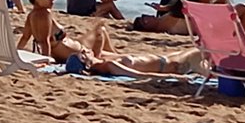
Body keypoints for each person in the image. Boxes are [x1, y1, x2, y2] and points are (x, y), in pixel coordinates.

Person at [17, 0, 113, 62]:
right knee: (100, 30)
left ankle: (111, 54)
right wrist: (46, 60)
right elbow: (44, 41)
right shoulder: (44, 14)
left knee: (103, 38)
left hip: (74, 49)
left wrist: (16, 54)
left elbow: (25, 37)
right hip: (79, 54)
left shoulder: (31, 15)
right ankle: (102, 57)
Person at [68, 45, 206, 78]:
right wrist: (171, 77)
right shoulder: (109, 65)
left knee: (203, 52)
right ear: (86, 61)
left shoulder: (103, 59)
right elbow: (138, 75)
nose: (86, 50)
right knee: (203, 49)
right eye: (84, 53)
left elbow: (100, 33)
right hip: (171, 66)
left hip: (167, 59)